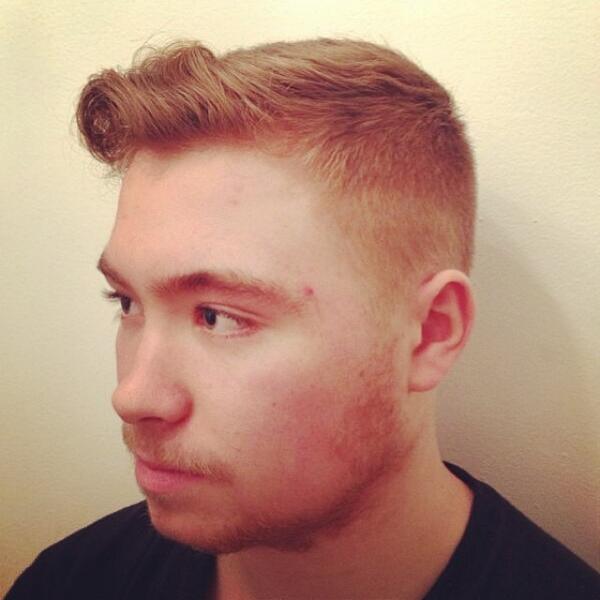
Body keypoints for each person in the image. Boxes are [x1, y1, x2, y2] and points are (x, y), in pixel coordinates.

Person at [7, 38, 599, 600]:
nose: (133, 396)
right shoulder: (69, 582)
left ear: (429, 334)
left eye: (218, 317)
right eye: (127, 302)